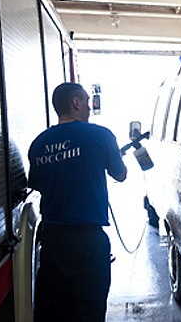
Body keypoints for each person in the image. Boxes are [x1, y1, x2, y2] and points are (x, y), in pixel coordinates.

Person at [28, 82, 127, 321]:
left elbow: (38, 184)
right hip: (87, 242)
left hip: (52, 241)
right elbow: (120, 174)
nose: (90, 108)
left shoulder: (38, 143)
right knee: (89, 309)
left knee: (56, 310)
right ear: (76, 103)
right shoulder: (101, 135)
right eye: (86, 102)